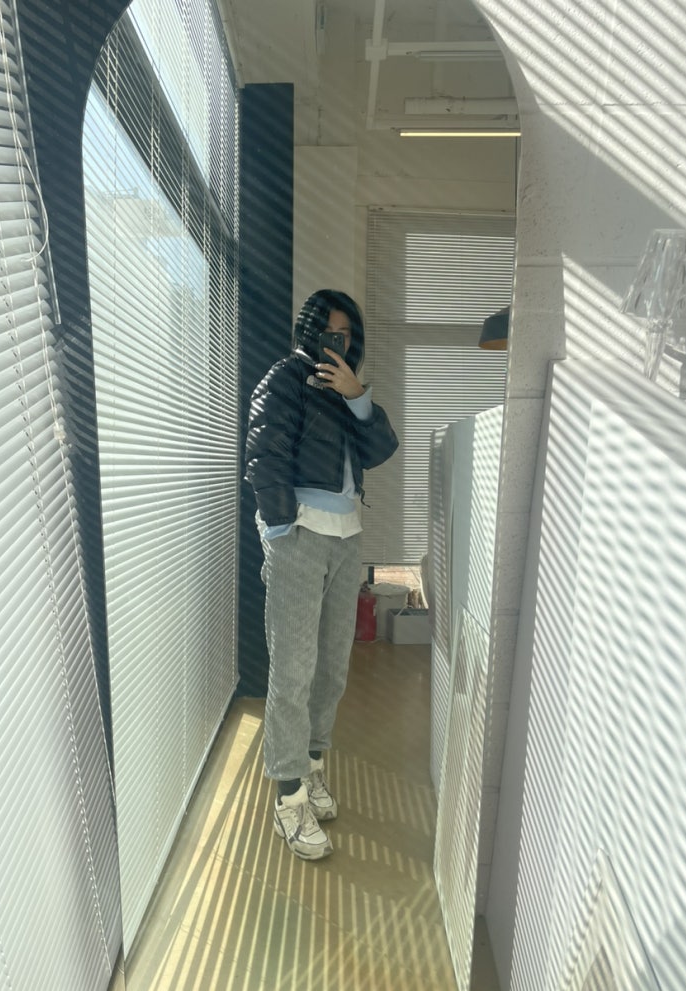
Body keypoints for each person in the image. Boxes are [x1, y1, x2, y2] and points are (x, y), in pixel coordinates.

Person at [245, 289, 399, 860]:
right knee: (293, 669)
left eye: (348, 335)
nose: (340, 343)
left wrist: (357, 395)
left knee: (332, 667)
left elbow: (381, 449)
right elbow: (262, 457)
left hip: (346, 537)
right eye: (331, 332)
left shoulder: (348, 392)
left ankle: (311, 768)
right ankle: (287, 797)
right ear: (310, 331)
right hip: (302, 536)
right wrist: (281, 529)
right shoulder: (285, 379)